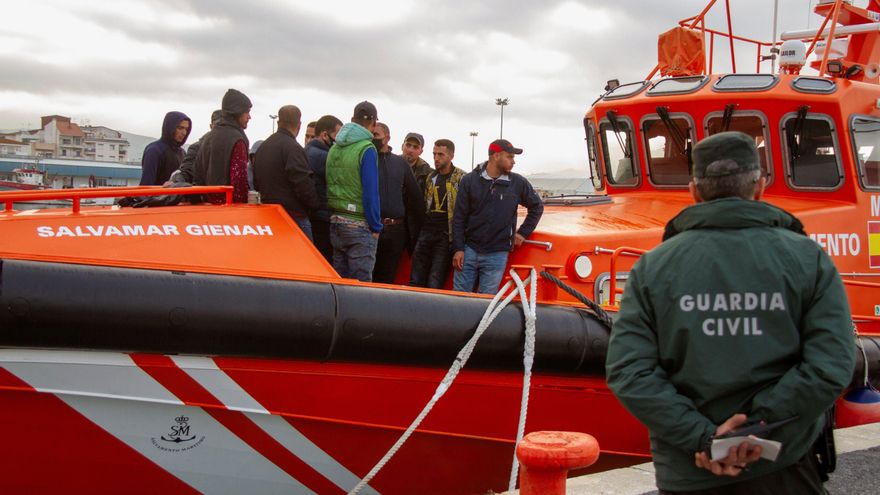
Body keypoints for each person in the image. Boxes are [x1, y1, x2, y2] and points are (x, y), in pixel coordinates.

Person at [606, 132, 855, 495]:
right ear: (760, 186)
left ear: (694, 191)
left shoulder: (651, 268)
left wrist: (706, 439)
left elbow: (629, 371)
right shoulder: (809, 259)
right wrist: (759, 428)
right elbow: (831, 364)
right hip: (785, 464)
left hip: (689, 470)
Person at [451, 139, 543, 294]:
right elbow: (459, 217)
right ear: (496, 156)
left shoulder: (518, 183)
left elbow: (537, 206)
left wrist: (523, 233)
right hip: (468, 250)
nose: (513, 161)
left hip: (497, 253)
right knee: (458, 298)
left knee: (487, 302)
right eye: (510, 157)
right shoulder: (469, 180)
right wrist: (458, 249)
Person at [326, 101, 382, 282]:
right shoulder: (367, 148)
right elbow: (370, 192)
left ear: (352, 119)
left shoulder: (334, 147)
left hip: (336, 222)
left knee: (341, 286)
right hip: (359, 225)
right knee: (360, 288)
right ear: (373, 123)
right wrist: (376, 226)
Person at [253, 105, 319, 239]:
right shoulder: (293, 148)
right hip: (294, 216)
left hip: (269, 215)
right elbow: (302, 183)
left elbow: (256, 183)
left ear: (278, 122)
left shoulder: (263, 147)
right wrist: (314, 205)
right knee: (304, 252)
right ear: (299, 125)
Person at [372, 122, 424, 284]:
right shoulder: (366, 158)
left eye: (376, 135)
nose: (372, 138)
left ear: (387, 138)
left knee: (387, 279)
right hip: (370, 228)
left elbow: (417, 200)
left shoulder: (400, 164)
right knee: (366, 276)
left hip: (395, 231)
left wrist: (412, 236)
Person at [410, 139, 466, 288]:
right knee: (415, 278)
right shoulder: (431, 177)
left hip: (446, 235)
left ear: (451, 156)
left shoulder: (461, 178)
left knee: (435, 280)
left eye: (441, 154)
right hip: (427, 231)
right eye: (434, 154)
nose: (436, 158)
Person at [192, 88, 252, 203]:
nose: (249, 117)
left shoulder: (208, 138)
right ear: (237, 111)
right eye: (247, 112)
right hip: (229, 207)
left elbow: (198, 175)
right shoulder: (237, 140)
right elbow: (239, 184)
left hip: (207, 205)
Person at [306, 114, 343, 263]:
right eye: (338, 136)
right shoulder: (324, 157)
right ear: (325, 135)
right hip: (322, 217)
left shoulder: (308, 151)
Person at [140, 111, 191, 185]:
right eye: (180, 128)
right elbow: (146, 183)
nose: (184, 133)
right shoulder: (154, 151)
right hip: (157, 192)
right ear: (170, 127)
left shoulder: (182, 153)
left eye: (186, 129)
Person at [174, 109, 221, 184]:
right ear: (211, 126)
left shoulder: (234, 148)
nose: (221, 130)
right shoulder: (197, 148)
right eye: (218, 126)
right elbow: (186, 172)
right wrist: (177, 181)